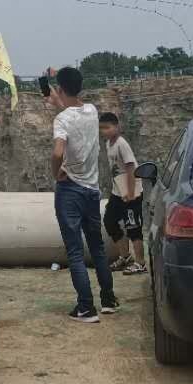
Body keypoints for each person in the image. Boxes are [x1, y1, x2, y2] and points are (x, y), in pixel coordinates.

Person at [47, 67, 118, 322]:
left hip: (70, 190)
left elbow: (57, 152)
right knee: (97, 247)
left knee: (75, 250)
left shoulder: (62, 120)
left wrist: (57, 173)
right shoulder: (92, 111)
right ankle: (108, 299)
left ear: (61, 89)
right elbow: (72, 112)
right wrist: (59, 89)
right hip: (92, 189)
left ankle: (86, 307)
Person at [99, 113, 146, 274]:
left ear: (117, 127)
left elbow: (130, 167)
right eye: (102, 128)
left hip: (131, 193)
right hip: (117, 192)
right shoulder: (108, 144)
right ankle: (125, 257)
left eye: (107, 127)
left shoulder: (122, 144)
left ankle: (141, 263)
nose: (104, 131)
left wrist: (131, 193)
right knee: (109, 221)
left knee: (133, 227)